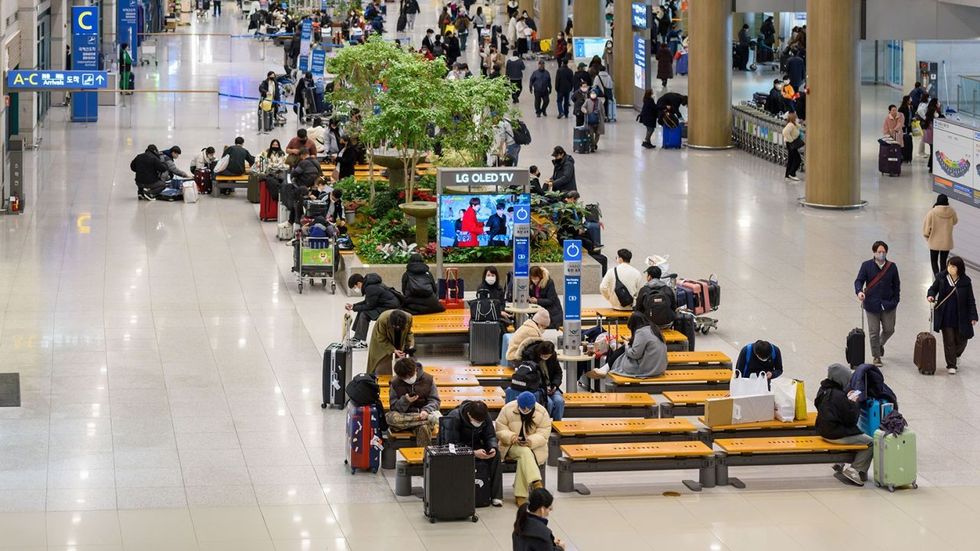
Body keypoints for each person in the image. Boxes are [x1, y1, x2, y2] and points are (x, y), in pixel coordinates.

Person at [814, 363, 873, 486]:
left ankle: (840, 462)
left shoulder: (823, 390)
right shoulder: (838, 396)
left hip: (822, 430)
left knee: (856, 439)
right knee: (870, 442)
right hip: (835, 434)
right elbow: (851, 419)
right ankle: (855, 469)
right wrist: (852, 403)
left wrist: (845, 400)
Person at [439, 400, 503, 507]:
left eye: (481, 422)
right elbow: (449, 445)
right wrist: (473, 453)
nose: (479, 423)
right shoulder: (454, 418)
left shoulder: (484, 416)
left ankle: (496, 495)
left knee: (496, 455)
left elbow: (490, 435)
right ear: (468, 414)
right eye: (476, 421)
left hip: (476, 445)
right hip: (457, 448)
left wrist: (492, 447)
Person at [495, 391, 550, 506]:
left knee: (524, 456)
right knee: (525, 453)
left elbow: (544, 433)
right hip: (511, 445)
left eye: (527, 409)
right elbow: (500, 429)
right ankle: (536, 482)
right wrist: (512, 437)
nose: (524, 411)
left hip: (534, 447)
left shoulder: (542, 412)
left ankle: (520, 495)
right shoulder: (507, 409)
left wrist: (531, 441)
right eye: (522, 408)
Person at [585, 313, 669, 387]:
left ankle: (604, 369)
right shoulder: (653, 329)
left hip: (647, 369)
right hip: (660, 367)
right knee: (624, 348)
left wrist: (626, 344)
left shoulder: (641, 332)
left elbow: (634, 354)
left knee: (623, 349)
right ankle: (604, 369)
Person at [927, 256, 979, 375]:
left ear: (959, 268)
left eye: (953, 266)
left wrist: (973, 316)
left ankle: (956, 355)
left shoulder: (966, 282)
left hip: (961, 316)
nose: (950, 268)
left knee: (963, 339)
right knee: (949, 340)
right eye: (949, 265)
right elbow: (933, 289)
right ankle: (951, 364)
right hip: (946, 315)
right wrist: (930, 295)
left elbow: (971, 300)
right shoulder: (941, 278)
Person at [854, 241, 900, 367]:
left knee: (889, 329)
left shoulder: (892, 267)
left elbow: (896, 285)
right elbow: (859, 281)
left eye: (883, 252)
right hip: (871, 304)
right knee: (873, 332)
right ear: (874, 252)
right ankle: (876, 356)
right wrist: (859, 292)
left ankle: (879, 344)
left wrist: (896, 300)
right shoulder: (866, 266)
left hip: (888, 304)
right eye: (879, 252)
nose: (881, 254)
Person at [386, 357, 441, 446]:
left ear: (415, 370)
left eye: (410, 377)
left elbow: (435, 401)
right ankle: (428, 420)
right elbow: (393, 407)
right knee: (390, 418)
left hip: (423, 414)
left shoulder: (428, 379)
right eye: (405, 378)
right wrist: (405, 401)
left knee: (423, 427)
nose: (408, 379)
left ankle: (425, 457)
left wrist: (426, 411)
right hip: (404, 417)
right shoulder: (395, 383)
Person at [510, 339, 564, 420]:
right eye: (543, 356)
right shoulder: (530, 356)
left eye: (547, 356)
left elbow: (558, 373)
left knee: (559, 401)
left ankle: (557, 424)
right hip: (537, 388)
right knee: (548, 403)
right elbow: (528, 378)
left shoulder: (552, 357)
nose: (544, 358)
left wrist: (555, 385)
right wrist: (544, 388)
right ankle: (544, 424)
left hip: (551, 386)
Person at [346, 273, 401, 346]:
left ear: (359, 283)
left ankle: (362, 342)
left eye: (355, 287)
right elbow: (368, 302)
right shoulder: (370, 285)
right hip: (385, 306)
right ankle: (358, 337)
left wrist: (354, 308)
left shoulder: (370, 288)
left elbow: (369, 306)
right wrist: (354, 306)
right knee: (361, 311)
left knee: (364, 314)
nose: (356, 289)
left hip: (389, 308)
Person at [365, 309, 415, 376]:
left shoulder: (409, 317)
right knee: (382, 366)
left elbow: (409, 333)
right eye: (396, 326)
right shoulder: (383, 320)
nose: (398, 328)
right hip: (381, 341)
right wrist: (393, 350)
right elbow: (381, 339)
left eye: (400, 327)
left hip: (399, 338)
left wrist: (410, 345)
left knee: (402, 364)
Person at [923, 194, 958, 277]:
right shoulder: (952, 212)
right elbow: (955, 221)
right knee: (943, 262)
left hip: (934, 242)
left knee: (934, 261)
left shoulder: (932, 212)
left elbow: (926, 229)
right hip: (947, 242)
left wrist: (927, 236)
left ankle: (937, 279)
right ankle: (943, 279)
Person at [923, 97, 944, 172]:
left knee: (932, 150)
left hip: (928, 133)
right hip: (931, 134)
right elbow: (938, 118)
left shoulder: (930, 109)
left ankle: (930, 165)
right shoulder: (934, 111)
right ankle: (931, 167)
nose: (939, 104)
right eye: (938, 102)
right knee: (933, 150)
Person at [782, 112, 803, 182]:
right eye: (796, 117)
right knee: (797, 159)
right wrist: (791, 141)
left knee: (791, 159)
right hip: (791, 144)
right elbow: (784, 132)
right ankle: (792, 173)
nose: (797, 118)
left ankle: (787, 174)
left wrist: (799, 123)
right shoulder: (790, 125)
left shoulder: (793, 124)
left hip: (790, 143)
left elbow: (798, 126)